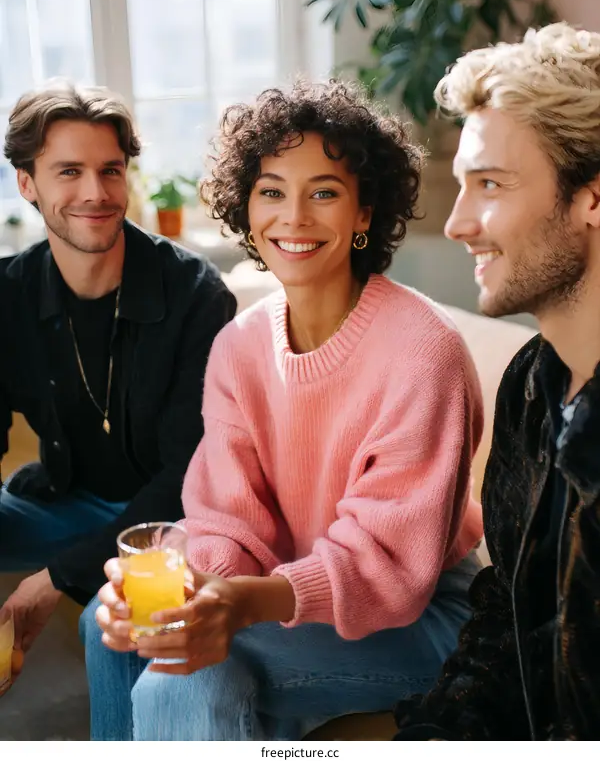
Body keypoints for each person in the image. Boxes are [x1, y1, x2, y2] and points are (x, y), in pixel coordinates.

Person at [82, 79, 485, 741]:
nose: (293, 217)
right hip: (293, 588)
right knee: (110, 631)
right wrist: (196, 585)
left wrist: (238, 607)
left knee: (182, 670)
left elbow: (387, 566)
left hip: (424, 612)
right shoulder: (240, 345)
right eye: (272, 191)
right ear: (246, 208)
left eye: (323, 192)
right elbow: (229, 520)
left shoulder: (422, 350)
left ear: (364, 213)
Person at [394, 22, 600, 741]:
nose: (456, 223)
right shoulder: (529, 387)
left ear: (592, 199)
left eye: (490, 185)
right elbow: (505, 624)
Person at [0, 81, 236, 688]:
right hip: (59, 499)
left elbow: (189, 477)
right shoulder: (7, 294)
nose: (96, 193)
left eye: (111, 170)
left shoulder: (197, 297)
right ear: (28, 184)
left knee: (101, 627)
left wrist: (54, 577)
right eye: (68, 171)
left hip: (168, 523)